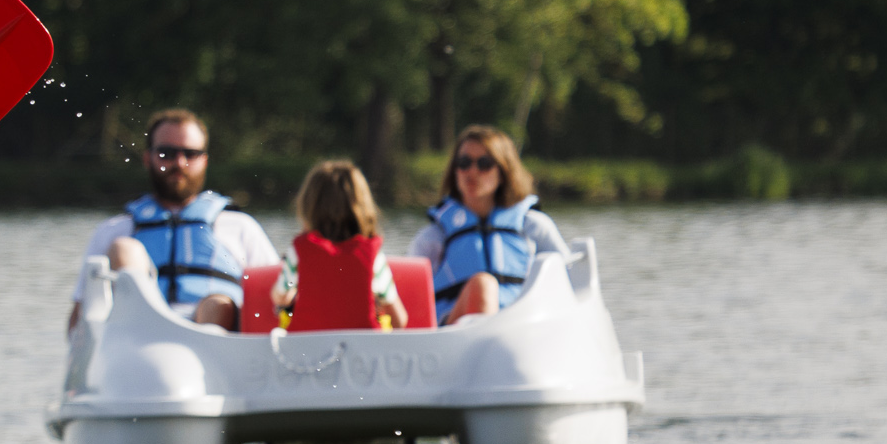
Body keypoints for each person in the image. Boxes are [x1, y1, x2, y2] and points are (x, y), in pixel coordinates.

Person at [69, 108, 278, 331]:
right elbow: (78, 322)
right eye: (166, 154)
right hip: (137, 337)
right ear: (147, 158)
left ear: (205, 160)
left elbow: (277, 299)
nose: (179, 163)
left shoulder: (241, 227)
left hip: (215, 341)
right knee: (123, 250)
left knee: (218, 304)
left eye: (191, 153)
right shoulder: (114, 230)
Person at [409, 125, 569, 322]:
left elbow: (570, 279)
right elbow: (411, 300)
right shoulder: (434, 236)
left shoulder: (533, 226)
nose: (472, 172)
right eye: (464, 162)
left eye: (484, 163)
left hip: (522, 326)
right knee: (483, 286)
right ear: (455, 170)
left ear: (503, 171)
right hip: (454, 333)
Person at [275, 159, 407, 331]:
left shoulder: (299, 252)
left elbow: (279, 297)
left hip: (307, 352)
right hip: (363, 352)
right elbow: (400, 319)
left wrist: (292, 295)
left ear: (308, 206)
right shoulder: (373, 257)